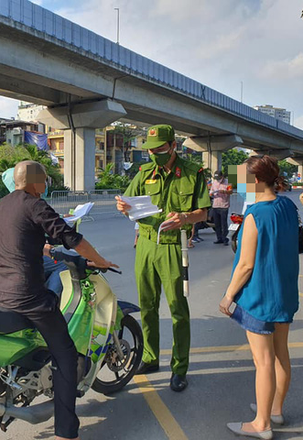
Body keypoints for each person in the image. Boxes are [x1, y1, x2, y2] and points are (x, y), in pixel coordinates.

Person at [0, 161, 118, 440]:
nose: (47, 185)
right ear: (37, 182)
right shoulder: (35, 204)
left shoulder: (3, 203)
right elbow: (72, 239)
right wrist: (100, 261)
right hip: (28, 296)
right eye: (46, 180)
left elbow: (19, 237)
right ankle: (66, 431)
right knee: (66, 355)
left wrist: (44, 248)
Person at [115, 124, 211, 392]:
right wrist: (123, 207)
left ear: (173, 147)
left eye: (160, 149)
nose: (154, 154)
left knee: (178, 310)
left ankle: (179, 368)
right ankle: (150, 356)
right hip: (145, 244)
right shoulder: (145, 173)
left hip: (172, 247)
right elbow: (129, 205)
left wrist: (185, 218)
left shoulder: (192, 173)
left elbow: (203, 212)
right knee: (147, 306)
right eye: (151, 150)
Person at [219, 156, 299, 440]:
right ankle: (275, 409)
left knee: (263, 361)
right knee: (281, 355)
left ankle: (261, 423)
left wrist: (228, 296)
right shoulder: (288, 206)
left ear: (256, 180)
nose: (238, 186)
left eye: (241, 180)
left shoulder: (256, 214)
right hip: (285, 293)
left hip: (259, 296)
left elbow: (246, 265)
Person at [1, 167, 68, 296]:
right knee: (62, 267)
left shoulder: (5, 204)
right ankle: (50, 300)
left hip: (6, 260)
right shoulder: (31, 203)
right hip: (21, 260)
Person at [210, 170, 233, 245]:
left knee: (223, 223)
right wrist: (211, 194)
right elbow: (211, 191)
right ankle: (219, 238)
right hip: (215, 205)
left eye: (219, 178)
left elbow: (230, 191)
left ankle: (225, 239)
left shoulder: (228, 182)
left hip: (224, 205)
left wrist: (224, 191)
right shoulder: (214, 182)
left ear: (222, 176)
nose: (218, 179)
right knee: (217, 223)